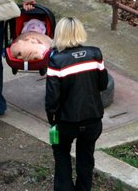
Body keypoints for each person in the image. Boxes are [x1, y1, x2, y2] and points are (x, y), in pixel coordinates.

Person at [45, 17, 109, 191]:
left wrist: (52, 119)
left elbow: (52, 97)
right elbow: (103, 85)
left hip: (66, 123)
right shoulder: (95, 54)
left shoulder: (56, 61)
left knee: (61, 153)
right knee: (86, 158)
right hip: (93, 120)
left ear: (59, 34)